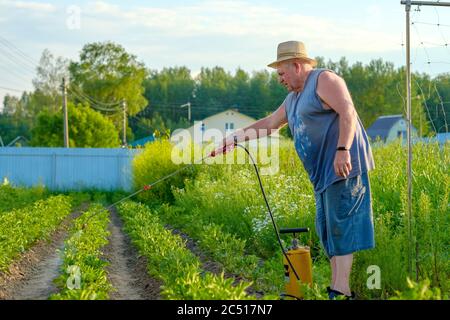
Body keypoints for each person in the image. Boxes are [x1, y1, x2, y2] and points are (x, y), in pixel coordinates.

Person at [213, 41, 375, 299]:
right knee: (327, 232)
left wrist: (342, 150)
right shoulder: (293, 99)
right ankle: (336, 290)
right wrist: (234, 138)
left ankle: (340, 292)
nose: (280, 79)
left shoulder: (324, 79)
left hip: (343, 167)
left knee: (341, 229)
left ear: (297, 66)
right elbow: (270, 123)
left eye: (281, 73)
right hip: (322, 175)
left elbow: (348, 111)